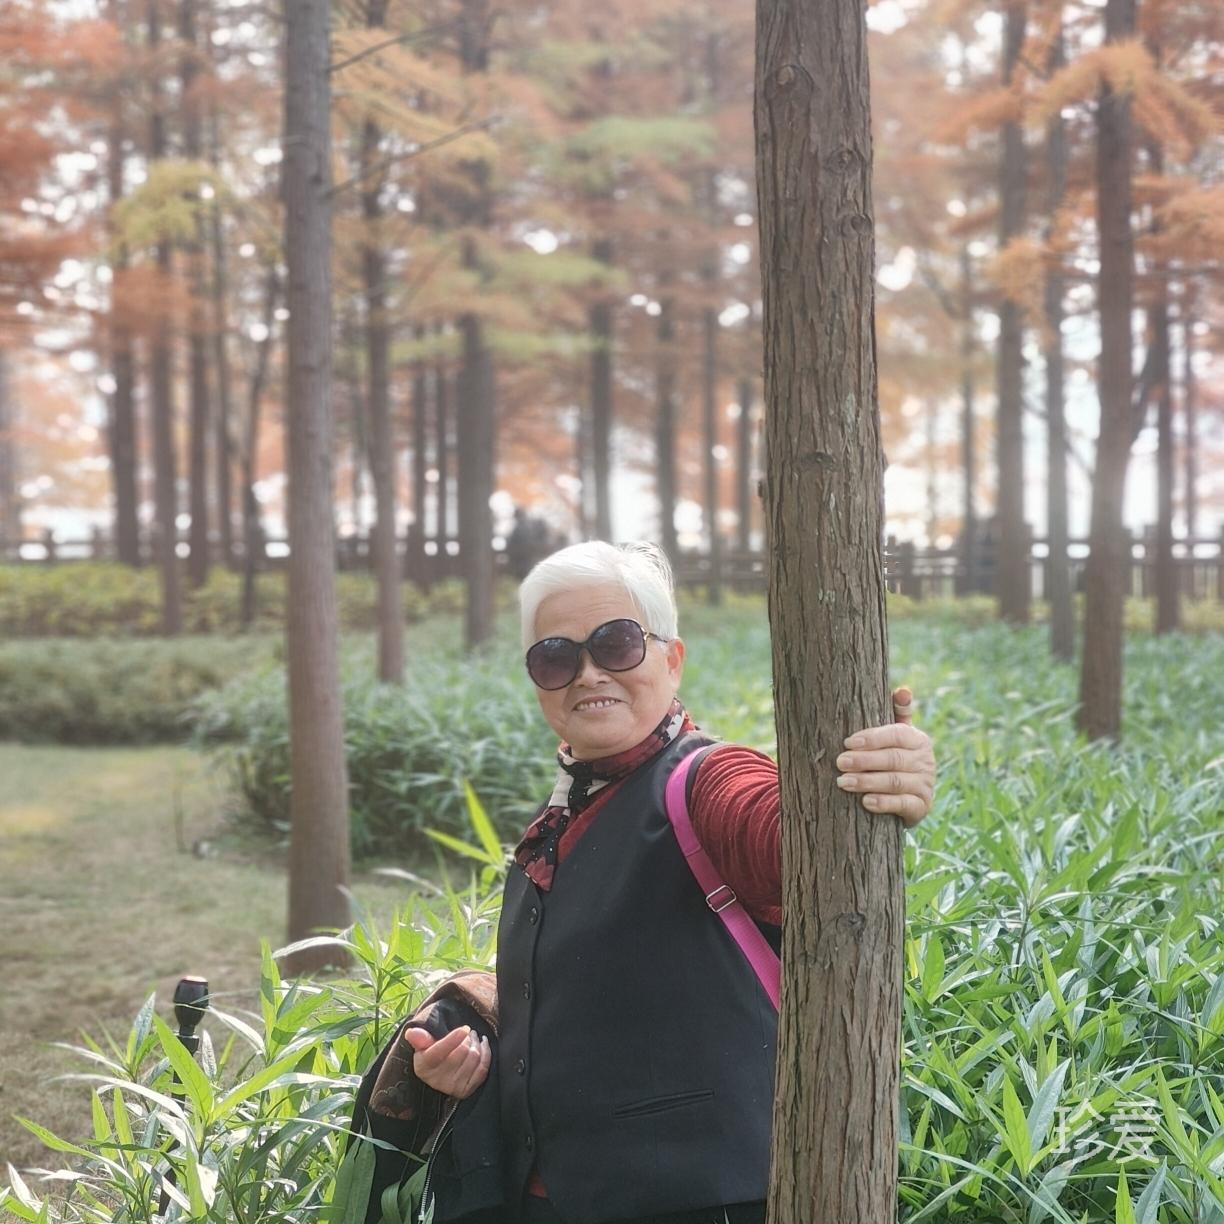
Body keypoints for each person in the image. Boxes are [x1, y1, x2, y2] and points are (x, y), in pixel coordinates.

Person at [396, 541, 937, 1224]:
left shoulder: (708, 779)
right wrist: (474, 1059)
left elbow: (787, 838)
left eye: (617, 644)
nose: (588, 674)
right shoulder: (564, 814)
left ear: (671, 658)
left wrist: (875, 781)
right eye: (557, 656)